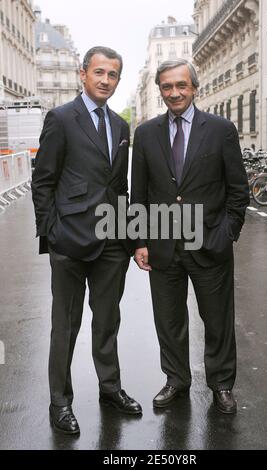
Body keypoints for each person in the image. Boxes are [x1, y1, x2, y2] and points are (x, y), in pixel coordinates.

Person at [31, 46, 142, 435]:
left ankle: (110, 388)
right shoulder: (61, 119)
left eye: (112, 75)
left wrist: (130, 236)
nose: (105, 80)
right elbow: (43, 180)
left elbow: (120, 186)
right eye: (99, 72)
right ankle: (60, 402)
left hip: (112, 242)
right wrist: (51, 235)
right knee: (66, 326)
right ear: (83, 74)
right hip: (70, 242)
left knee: (108, 321)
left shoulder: (121, 125)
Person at [131, 59, 250, 414]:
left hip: (210, 245)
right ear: (160, 90)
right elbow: (139, 193)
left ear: (194, 87)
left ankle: (222, 384)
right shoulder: (147, 133)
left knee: (217, 321)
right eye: (167, 87)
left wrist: (226, 233)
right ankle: (176, 380)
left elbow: (238, 190)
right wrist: (139, 241)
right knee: (168, 320)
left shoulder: (220, 129)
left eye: (181, 85)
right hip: (162, 246)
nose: (174, 93)